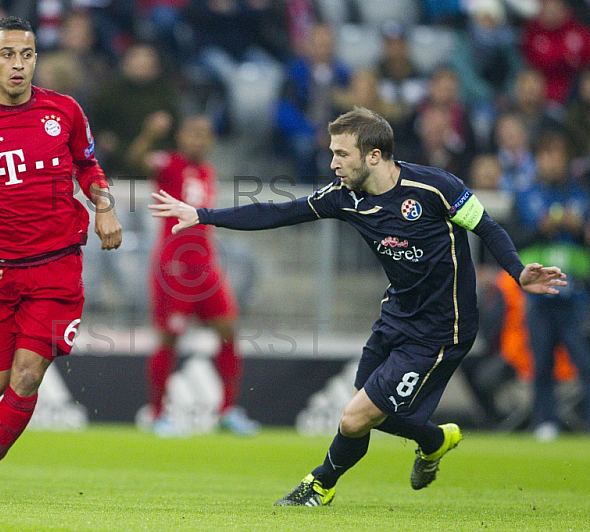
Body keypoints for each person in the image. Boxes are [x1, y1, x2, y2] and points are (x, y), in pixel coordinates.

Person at [150, 106, 566, 506]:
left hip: (443, 326)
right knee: (365, 413)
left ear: (374, 155)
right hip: (395, 316)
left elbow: (487, 226)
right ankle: (433, 440)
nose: (333, 163)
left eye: (341, 153)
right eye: (333, 153)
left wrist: (517, 270)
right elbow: (278, 212)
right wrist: (203, 214)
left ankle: (319, 485)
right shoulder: (344, 197)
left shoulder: (436, 187)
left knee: (353, 419)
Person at [0, 17, 122, 500]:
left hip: (57, 268)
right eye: (7, 55)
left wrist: (103, 207)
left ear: (35, 58)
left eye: (27, 55)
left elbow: (87, 164)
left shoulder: (64, 111)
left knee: (26, 373)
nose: (17, 65)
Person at [127, 113, 260, 437]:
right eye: (192, 133)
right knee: (170, 337)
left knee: (229, 330)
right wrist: (147, 132)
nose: (197, 140)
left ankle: (226, 412)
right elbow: (133, 162)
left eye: (204, 134)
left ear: (211, 140)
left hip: (206, 267)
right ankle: (157, 414)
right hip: (174, 267)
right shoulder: (168, 164)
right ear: (181, 136)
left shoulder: (207, 171)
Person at [512, 131, 590, 440]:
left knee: (585, 362)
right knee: (542, 361)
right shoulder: (525, 195)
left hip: (577, 294)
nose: (551, 161)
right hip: (540, 297)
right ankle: (545, 421)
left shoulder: (582, 196)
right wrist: (541, 229)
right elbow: (513, 239)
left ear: (566, 159)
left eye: (556, 154)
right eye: (545, 154)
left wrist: (580, 228)